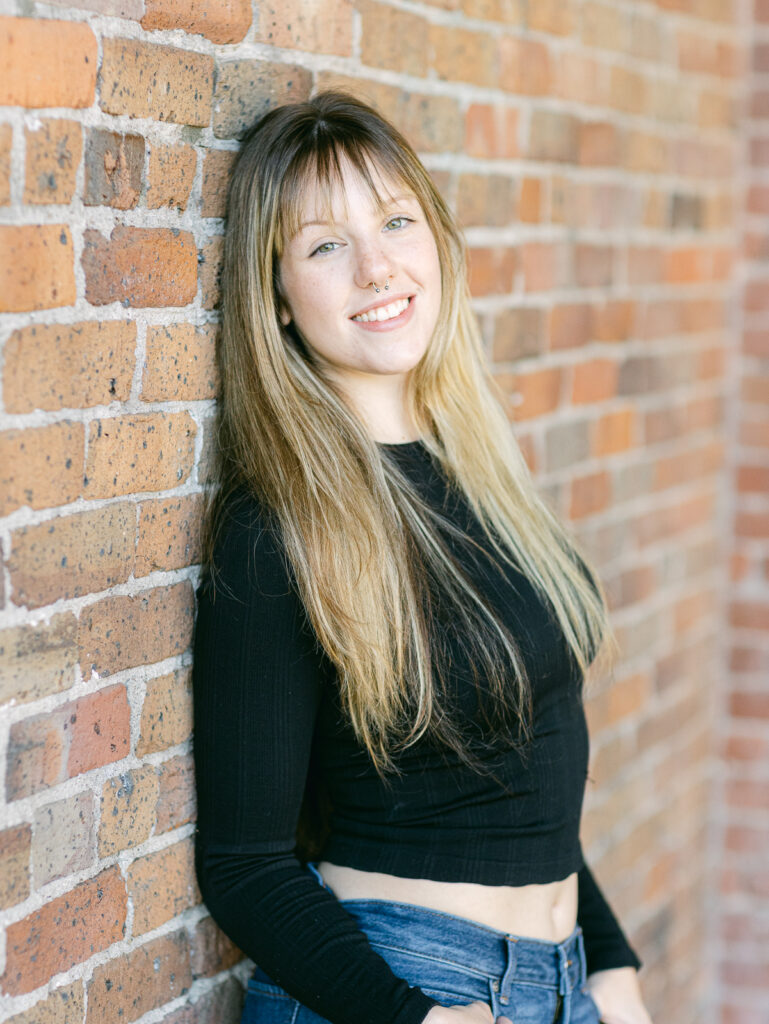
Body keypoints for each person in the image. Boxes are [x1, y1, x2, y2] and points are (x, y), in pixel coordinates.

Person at [191, 91, 653, 1024]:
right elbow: (242, 867)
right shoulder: (280, 525)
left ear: (436, 239)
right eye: (324, 246)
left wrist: (608, 967)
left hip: (555, 986)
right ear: (277, 298)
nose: (376, 267)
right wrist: (418, 1020)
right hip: (398, 991)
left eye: (396, 222)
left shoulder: (481, 477)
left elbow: (525, 762)